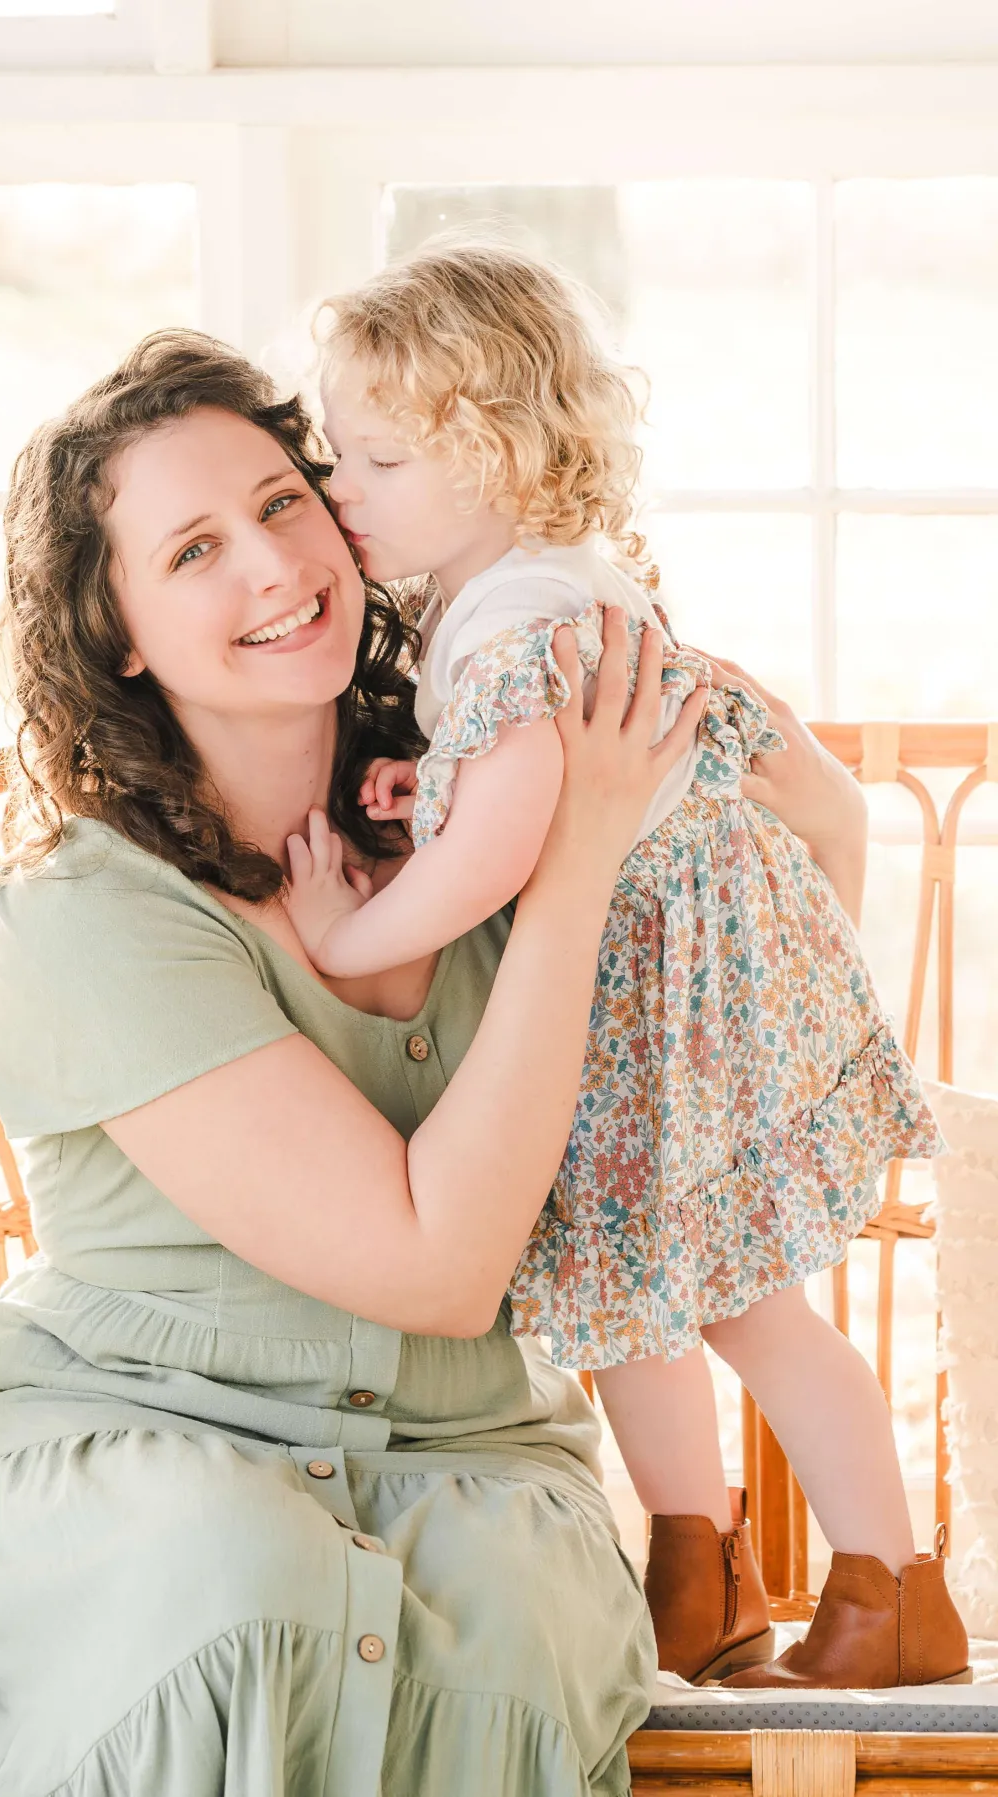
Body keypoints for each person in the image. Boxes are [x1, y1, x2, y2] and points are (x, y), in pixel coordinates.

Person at [0, 327, 724, 1797]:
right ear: (118, 631)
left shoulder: (482, 797)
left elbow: (806, 860)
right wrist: (571, 870)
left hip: (474, 1460)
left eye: (280, 503)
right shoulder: (94, 906)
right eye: (191, 550)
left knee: (518, 1632)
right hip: (132, 1439)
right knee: (242, 1581)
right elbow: (439, 1266)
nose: (270, 564)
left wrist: (619, 757)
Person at [283, 240, 970, 1691]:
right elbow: (510, 802)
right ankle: (695, 1582)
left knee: (746, 1313)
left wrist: (354, 933)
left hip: (666, 1016)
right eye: (341, 455)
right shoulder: (520, 601)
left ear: (499, 458)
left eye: (380, 460)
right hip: (632, 1010)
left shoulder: (531, 618)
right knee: (630, 1301)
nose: (343, 492)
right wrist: (439, 787)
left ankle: (889, 1595)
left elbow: (508, 844)